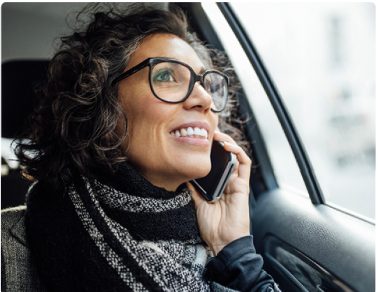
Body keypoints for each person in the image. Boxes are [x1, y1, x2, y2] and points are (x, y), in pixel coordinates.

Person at [1, 4, 280, 292]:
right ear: (101, 105)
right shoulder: (6, 247)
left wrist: (233, 250)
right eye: (166, 76)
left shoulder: (223, 248)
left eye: (206, 84)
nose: (204, 99)